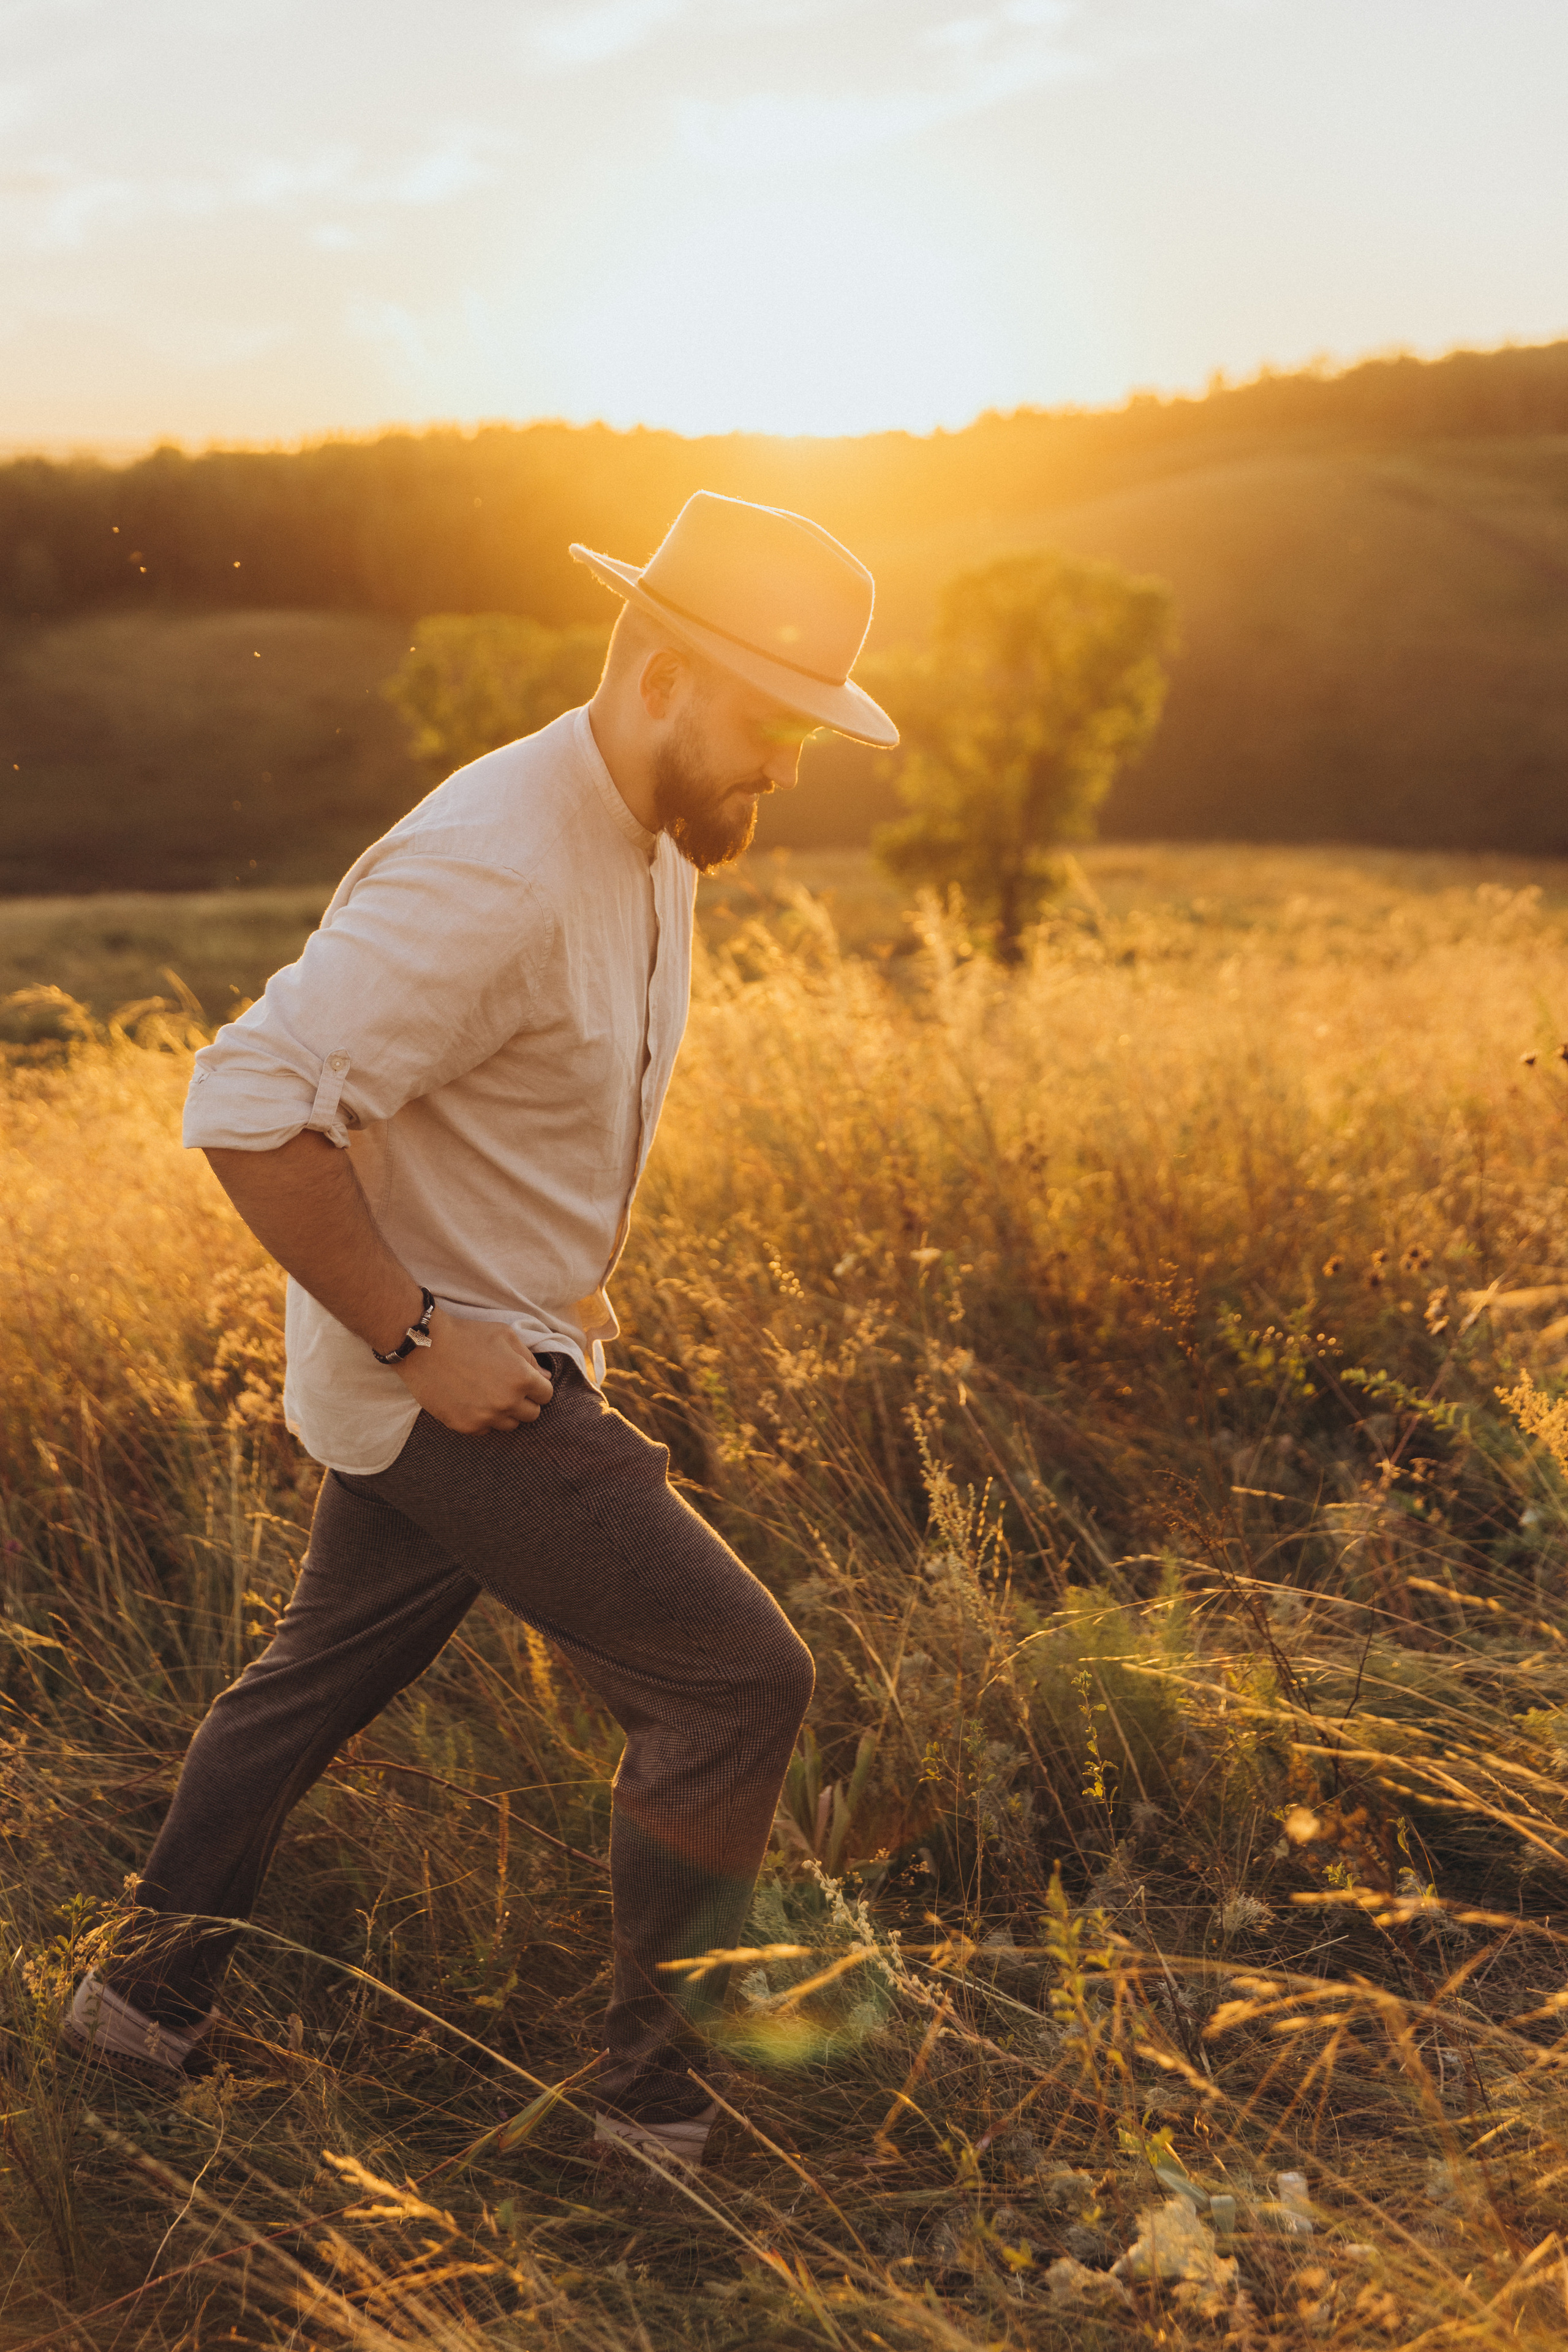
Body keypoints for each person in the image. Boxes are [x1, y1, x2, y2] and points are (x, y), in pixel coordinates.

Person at [63, 490, 898, 2163]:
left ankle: (133, 2012)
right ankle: (651, 2115)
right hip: (462, 1386)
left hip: (499, 1355)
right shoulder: (496, 861)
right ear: (660, 676)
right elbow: (245, 1099)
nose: (785, 771)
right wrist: (415, 1334)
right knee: (737, 1685)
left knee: (309, 1683)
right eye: (768, 725)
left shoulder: (650, 830)